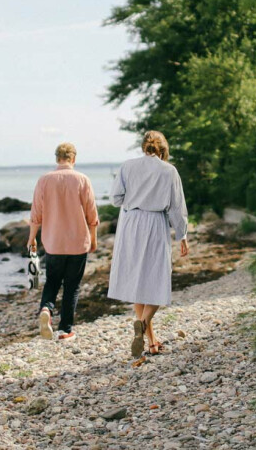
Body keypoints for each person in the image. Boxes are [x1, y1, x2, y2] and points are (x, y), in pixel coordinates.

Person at [107, 130, 189, 357]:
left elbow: (115, 199)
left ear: (143, 146)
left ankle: (149, 338)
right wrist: (182, 235)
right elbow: (176, 208)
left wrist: (135, 199)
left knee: (137, 279)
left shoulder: (127, 166)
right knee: (157, 278)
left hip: (131, 224)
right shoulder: (169, 171)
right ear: (163, 149)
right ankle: (143, 327)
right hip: (154, 223)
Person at [28, 142, 99, 342]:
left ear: (57, 158)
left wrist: (32, 237)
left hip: (53, 243)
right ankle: (65, 329)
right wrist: (93, 239)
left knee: (52, 281)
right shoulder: (82, 179)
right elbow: (91, 213)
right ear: (73, 159)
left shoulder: (44, 180)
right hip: (78, 242)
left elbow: (36, 213)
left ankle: (46, 309)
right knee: (72, 286)